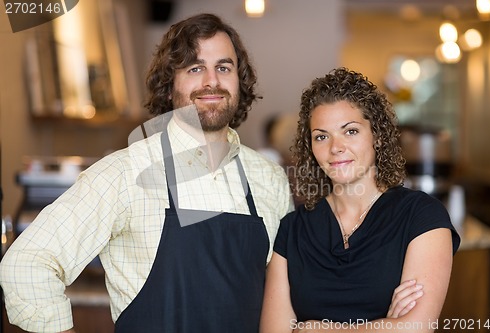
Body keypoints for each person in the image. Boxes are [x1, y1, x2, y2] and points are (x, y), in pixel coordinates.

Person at [0, 13, 295, 333]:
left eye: (223, 67)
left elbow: (284, 295)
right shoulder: (124, 173)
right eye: (195, 68)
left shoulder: (269, 179)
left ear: (240, 81)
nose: (211, 80)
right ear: (169, 86)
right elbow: (27, 264)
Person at [260, 67, 461, 333]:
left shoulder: (422, 216)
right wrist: (385, 326)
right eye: (321, 136)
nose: (335, 147)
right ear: (310, 148)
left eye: (351, 131)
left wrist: (317, 330)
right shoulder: (292, 229)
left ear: (376, 136)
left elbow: (416, 328)